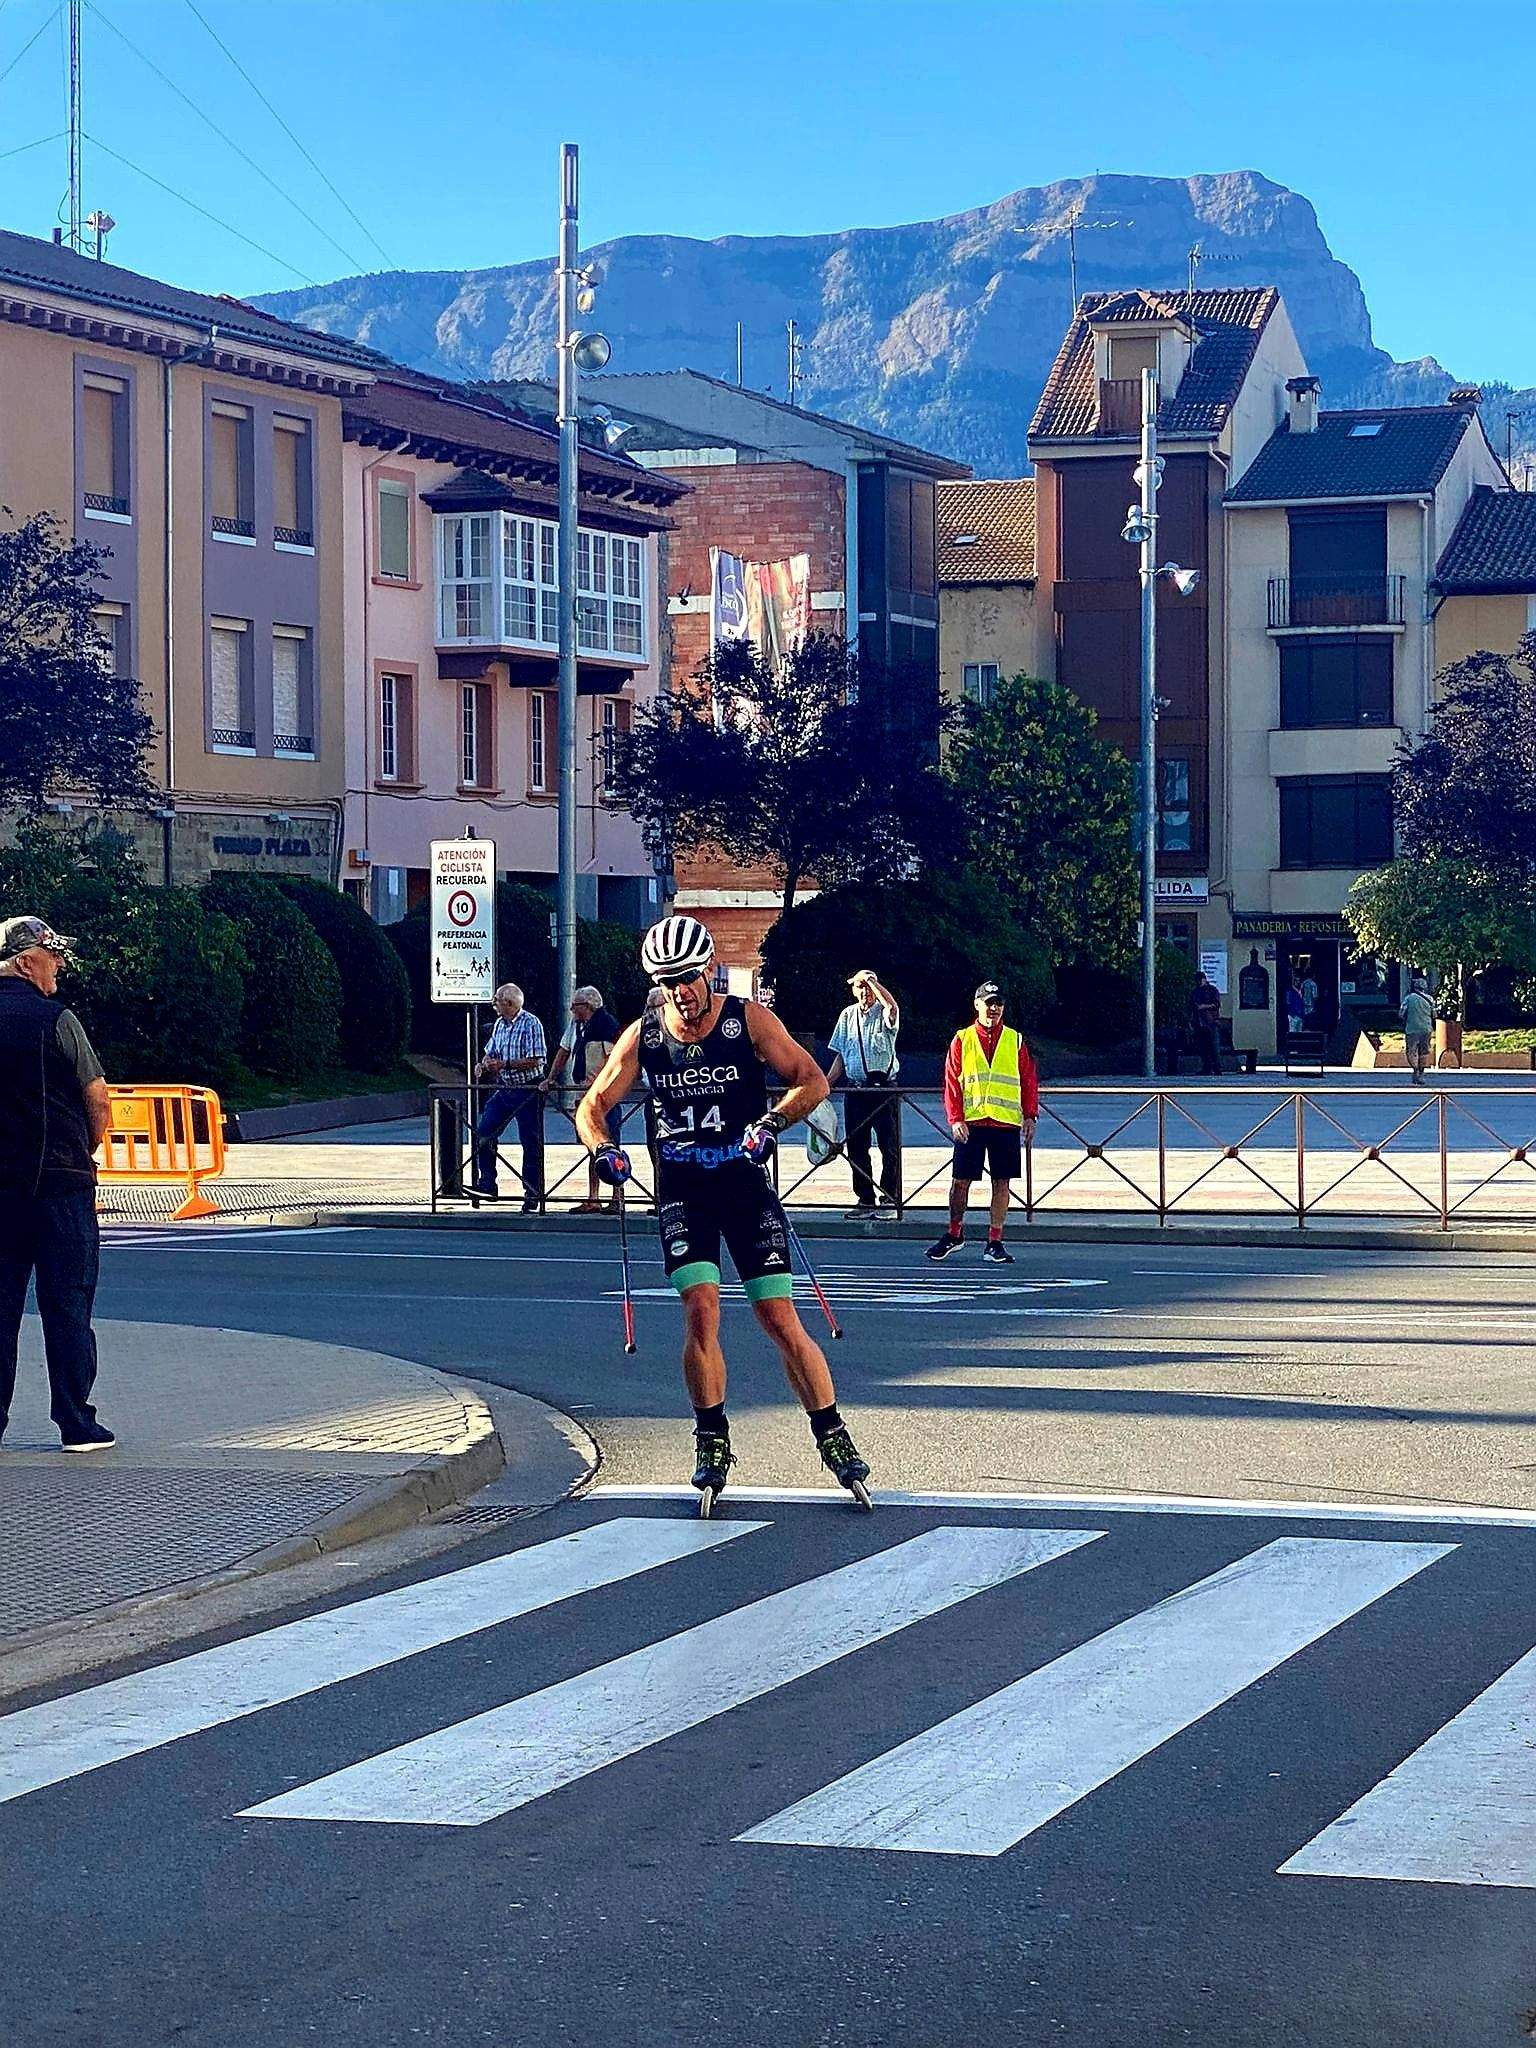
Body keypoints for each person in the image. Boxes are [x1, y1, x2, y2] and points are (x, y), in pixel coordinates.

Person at [576, 914, 871, 1505]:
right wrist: (605, 1149)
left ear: (708, 970)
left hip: (744, 1186)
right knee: (701, 1311)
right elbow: (592, 1105)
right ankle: (711, 1437)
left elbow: (810, 1080)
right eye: (668, 982)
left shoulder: (747, 1020)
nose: (681, 992)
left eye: (688, 978)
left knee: (778, 1317)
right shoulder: (644, 1035)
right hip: (683, 1191)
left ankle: (832, 1431)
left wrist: (771, 1122)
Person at [0, 916, 115, 1451]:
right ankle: (76, 1423)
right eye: (53, 955)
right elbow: (97, 1098)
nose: (61, 965)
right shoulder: (57, 1019)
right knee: (67, 1304)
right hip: (60, 1186)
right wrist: (82, 1151)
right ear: (26, 962)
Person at [927, 981, 1039, 1265]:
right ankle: (954, 1233)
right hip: (972, 1121)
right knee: (960, 1180)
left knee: (1002, 1182)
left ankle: (995, 1240)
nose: (994, 1008)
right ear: (977, 1005)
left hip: (1004, 1121)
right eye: (988, 1003)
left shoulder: (1015, 1039)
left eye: (998, 1003)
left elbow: (1028, 1078)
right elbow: (952, 1081)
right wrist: (955, 1118)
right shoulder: (962, 1039)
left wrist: (1030, 1114)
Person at [826, 968, 902, 1218]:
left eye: (868, 986)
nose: (864, 991)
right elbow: (841, 1053)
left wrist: (874, 983)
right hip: (855, 1088)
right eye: (859, 986)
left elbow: (892, 1007)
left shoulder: (884, 1013)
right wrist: (827, 1083)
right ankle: (865, 1199)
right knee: (857, 1147)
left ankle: (890, 1199)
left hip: (883, 1089)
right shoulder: (847, 1015)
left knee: (888, 1146)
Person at [542, 985, 622, 1212]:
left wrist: (604, 1085)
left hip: (605, 1096)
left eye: (575, 1005)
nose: (571, 1008)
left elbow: (615, 1060)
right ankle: (593, 1198)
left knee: (612, 1144)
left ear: (588, 1006)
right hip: (583, 1095)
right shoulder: (576, 1026)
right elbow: (563, 1052)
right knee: (591, 1146)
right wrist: (550, 1078)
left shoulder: (607, 1026)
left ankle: (617, 1198)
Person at [471, 983, 547, 1207]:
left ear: (510, 1003)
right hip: (505, 1088)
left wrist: (505, 1064)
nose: (493, 1004)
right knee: (484, 1132)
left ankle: (532, 1192)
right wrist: (483, 1064)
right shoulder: (499, 1024)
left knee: (530, 1141)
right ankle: (487, 1183)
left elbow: (536, 1059)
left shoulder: (531, 1023)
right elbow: (491, 1051)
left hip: (528, 1089)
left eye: (497, 1000)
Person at [1400, 975, 1436, 1086]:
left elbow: (1401, 1013)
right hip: (1426, 1029)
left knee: (1411, 1051)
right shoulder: (1430, 999)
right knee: (1424, 1052)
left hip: (1412, 1029)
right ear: (1424, 988)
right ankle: (1421, 1073)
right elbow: (1434, 1014)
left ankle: (1415, 1069)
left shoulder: (1408, 998)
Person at [1190, 971, 1223, 1076]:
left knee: (1214, 1046)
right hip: (1199, 1022)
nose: (1199, 982)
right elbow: (1191, 1006)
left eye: (1200, 980)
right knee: (1203, 1047)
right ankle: (1206, 1067)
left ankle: (1217, 1068)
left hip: (1211, 1022)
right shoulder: (1195, 992)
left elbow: (1217, 1004)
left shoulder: (1212, 990)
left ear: (1204, 979)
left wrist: (1204, 1006)